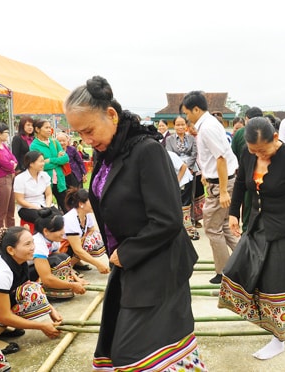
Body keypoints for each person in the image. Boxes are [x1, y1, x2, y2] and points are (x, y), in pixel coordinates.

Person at [65, 76, 204, 370]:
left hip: (158, 263)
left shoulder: (146, 151)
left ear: (111, 115)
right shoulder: (106, 153)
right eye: (80, 134)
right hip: (129, 263)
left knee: (135, 354)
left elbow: (168, 219)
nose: (86, 140)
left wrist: (126, 253)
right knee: (121, 345)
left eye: (89, 130)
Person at [219, 117, 285, 360]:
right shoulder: (247, 153)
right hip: (256, 225)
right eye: (254, 151)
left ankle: (278, 338)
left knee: (278, 284)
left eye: (262, 150)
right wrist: (234, 213)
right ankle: (264, 321)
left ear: (275, 138)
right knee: (237, 271)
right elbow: (242, 185)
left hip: (284, 231)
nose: (259, 155)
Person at [181, 90, 239, 285]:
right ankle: (245, 260)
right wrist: (207, 173)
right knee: (223, 226)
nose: (187, 117)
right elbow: (216, 156)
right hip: (221, 179)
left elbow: (221, 158)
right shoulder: (209, 124)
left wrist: (222, 190)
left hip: (222, 183)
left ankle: (224, 272)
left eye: (187, 113)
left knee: (212, 229)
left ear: (196, 109)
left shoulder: (207, 128)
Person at [0, 226, 62, 358]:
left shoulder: (21, 262)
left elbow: (26, 288)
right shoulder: (1, 273)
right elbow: (4, 316)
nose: (33, 247)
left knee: (30, 290)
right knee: (22, 295)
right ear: (11, 250)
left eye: (32, 242)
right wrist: (41, 326)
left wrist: (50, 309)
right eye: (27, 244)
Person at [30, 208, 86, 300]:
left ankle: (57, 287)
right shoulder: (38, 244)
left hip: (37, 269)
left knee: (63, 258)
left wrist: (76, 278)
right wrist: (72, 285)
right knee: (57, 260)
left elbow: (64, 262)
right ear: (46, 231)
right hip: (27, 274)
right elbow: (46, 278)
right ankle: (47, 290)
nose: (63, 232)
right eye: (59, 229)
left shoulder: (53, 240)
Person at [165, 115, 204, 229]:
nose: (180, 127)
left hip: (191, 170)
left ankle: (192, 220)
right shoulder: (169, 139)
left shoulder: (191, 138)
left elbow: (194, 153)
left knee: (192, 195)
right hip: (177, 170)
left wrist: (188, 167)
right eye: (178, 124)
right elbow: (170, 154)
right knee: (178, 195)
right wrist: (181, 166)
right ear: (174, 126)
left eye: (182, 124)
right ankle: (179, 221)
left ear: (186, 126)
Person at [59, 188, 109, 275]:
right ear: (81, 204)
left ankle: (75, 263)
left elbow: (92, 230)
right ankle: (68, 267)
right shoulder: (71, 219)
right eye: (91, 201)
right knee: (86, 243)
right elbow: (77, 249)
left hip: (72, 245)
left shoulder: (87, 214)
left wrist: (84, 239)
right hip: (62, 250)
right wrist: (98, 264)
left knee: (96, 237)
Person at [231, 106, 263, 233]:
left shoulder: (239, 133)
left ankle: (247, 229)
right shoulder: (267, 133)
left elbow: (232, 156)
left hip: (244, 176)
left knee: (248, 204)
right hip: (260, 177)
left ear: (246, 119)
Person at [30, 119, 70, 212]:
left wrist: (50, 160)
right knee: (47, 209)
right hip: (45, 182)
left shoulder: (54, 142)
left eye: (50, 128)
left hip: (60, 181)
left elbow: (65, 159)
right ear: (37, 129)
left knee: (67, 208)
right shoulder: (34, 146)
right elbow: (40, 166)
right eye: (46, 127)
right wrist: (57, 160)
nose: (49, 130)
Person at [13, 151, 58, 224]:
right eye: (41, 161)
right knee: (45, 220)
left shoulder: (44, 175)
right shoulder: (20, 178)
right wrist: (38, 208)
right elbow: (20, 200)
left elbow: (49, 194)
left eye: (43, 161)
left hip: (43, 204)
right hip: (27, 207)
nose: (43, 164)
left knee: (60, 218)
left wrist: (47, 207)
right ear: (31, 164)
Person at [167, 150, 199, 240]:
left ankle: (190, 231)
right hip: (177, 182)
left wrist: (177, 182)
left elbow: (184, 167)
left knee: (184, 206)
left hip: (184, 180)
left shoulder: (169, 154)